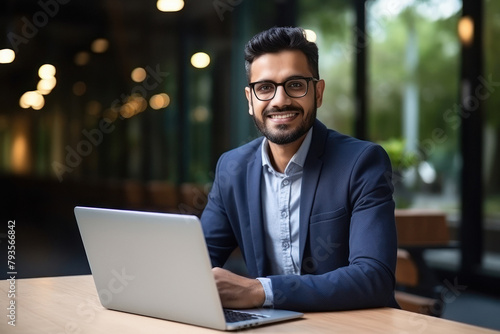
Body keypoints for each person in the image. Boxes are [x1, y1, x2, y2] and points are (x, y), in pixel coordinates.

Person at [200, 26, 399, 312]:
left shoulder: (362, 163)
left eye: (295, 84)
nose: (279, 100)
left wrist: (261, 290)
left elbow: (374, 278)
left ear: (318, 93)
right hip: (270, 326)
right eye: (265, 87)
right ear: (250, 99)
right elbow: (199, 261)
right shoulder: (232, 168)